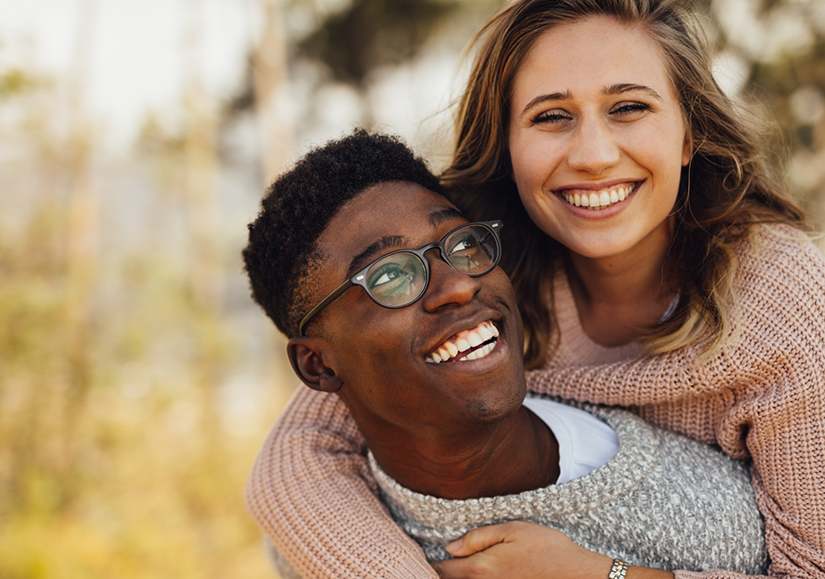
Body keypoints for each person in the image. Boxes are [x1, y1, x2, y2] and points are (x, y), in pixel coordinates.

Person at [245, 0, 825, 578]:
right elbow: (299, 456)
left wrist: (599, 574)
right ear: (508, 147)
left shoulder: (780, 296)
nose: (594, 156)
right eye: (551, 117)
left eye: (629, 107)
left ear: (686, 135)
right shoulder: (468, 259)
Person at [242, 130, 767, 579]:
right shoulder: (317, 550)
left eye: (462, 245)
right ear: (318, 364)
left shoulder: (705, 519)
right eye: (390, 275)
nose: (459, 286)